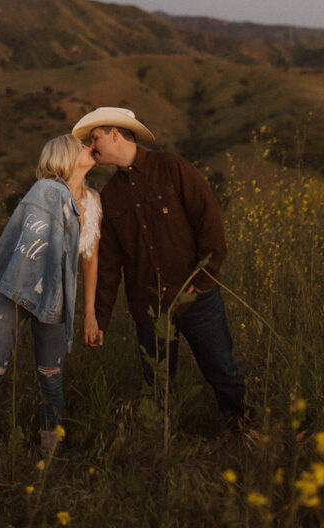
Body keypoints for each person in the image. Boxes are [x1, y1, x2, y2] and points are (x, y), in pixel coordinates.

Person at [72, 106, 246, 429]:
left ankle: (244, 430)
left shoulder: (171, 167)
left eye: (95, 137)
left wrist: (205, 278)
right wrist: (99, 319)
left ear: (115, 133)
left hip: (196, 296)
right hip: (148, 308)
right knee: (158, 385)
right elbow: (109, 265)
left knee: (222, 370)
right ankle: (162, 448)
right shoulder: (110, 196)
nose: (92, 146)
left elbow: (209, 219)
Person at [0, 134, 102, 447]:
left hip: (55, 297)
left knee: (51, 377)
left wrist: (89, 314)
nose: (90, 146)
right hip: (16, 290)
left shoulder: (92, 202)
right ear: (65, 156)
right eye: (81, 145)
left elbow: (90, 259)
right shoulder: (46, 191)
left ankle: (49, 448)